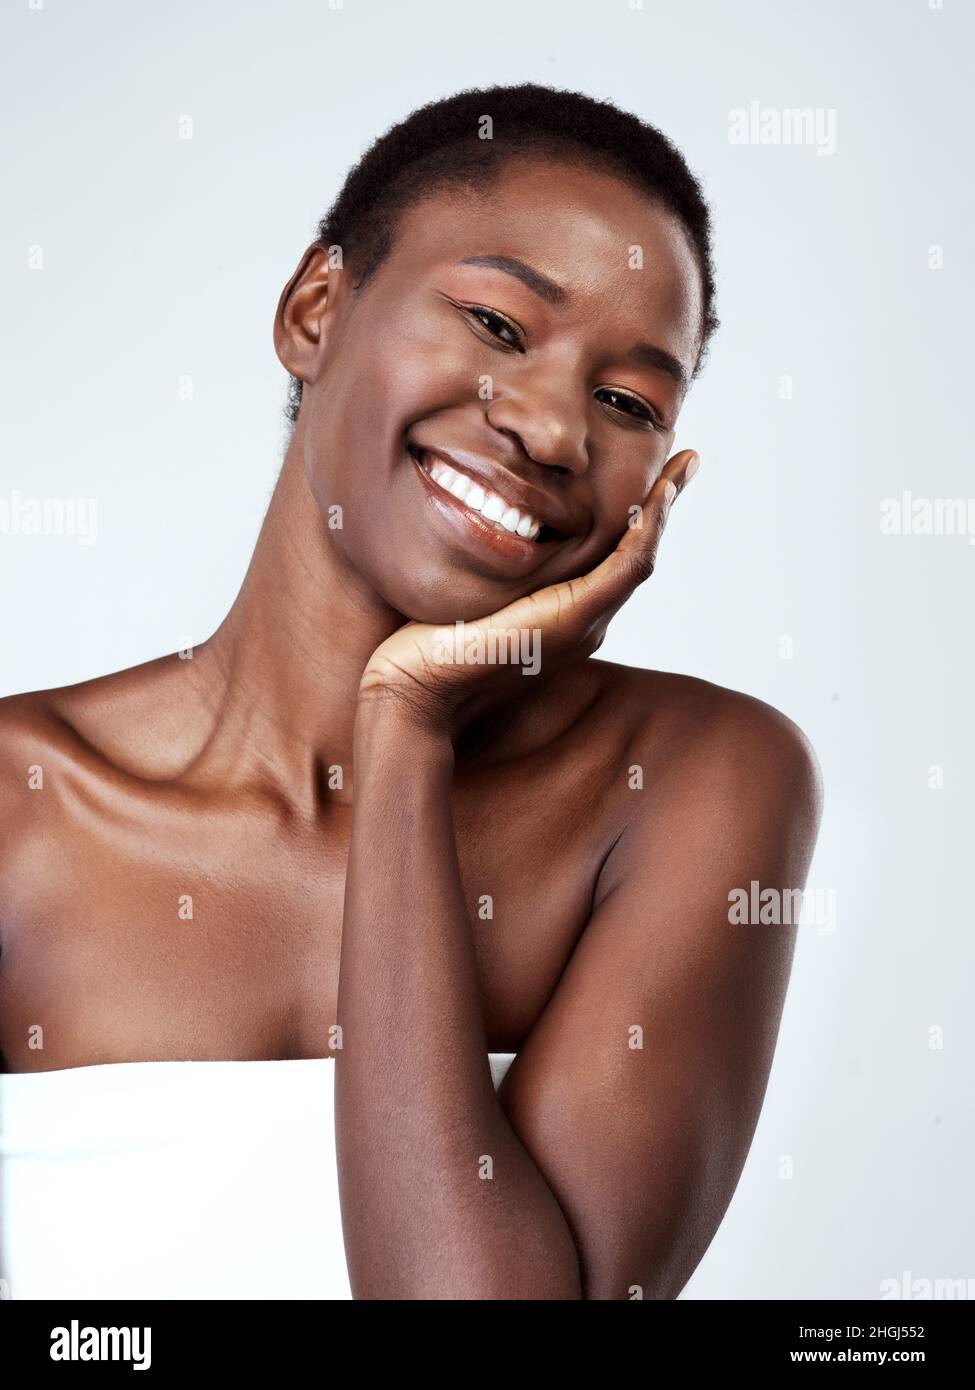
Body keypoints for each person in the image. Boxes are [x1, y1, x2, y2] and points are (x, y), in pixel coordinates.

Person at [0, 82, 822, 1300]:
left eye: (629, 402)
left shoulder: (697, 779)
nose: (551, 429)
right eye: (498, 325)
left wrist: (404, 730)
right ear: (315, 308)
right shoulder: (24, 807)